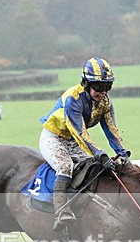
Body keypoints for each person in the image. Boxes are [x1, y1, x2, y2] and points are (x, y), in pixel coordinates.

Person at [39, 56, 131, 230]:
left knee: (93, 166)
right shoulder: (73, 99)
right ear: (86, 83)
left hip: (73, 141)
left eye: (107, 86)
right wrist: (100, 153)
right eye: (98, 87)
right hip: (54, 137)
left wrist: (123, 153)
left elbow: (112, 130)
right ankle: (61, 211)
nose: (102, 92)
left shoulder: (105, 103)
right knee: (65, 166)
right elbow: (81, 134)